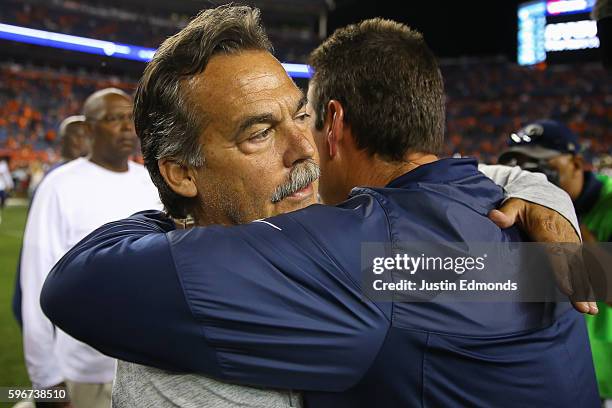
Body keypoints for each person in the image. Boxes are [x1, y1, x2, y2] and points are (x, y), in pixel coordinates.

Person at [43, 7, 598, 408]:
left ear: (330, 121)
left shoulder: (354, 262)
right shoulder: (492, 220)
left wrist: (169, 227)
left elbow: (73, 285)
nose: (304, 148)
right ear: (180, 171)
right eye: (260, 132)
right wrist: (536, 188)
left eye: (300, 115)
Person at [20, 88, 161, 408]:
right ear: (87, 128)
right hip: (84, 373)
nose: (127, 127)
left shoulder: (150, 182)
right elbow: (36, 284)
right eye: (113, 119)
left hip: (149, 366)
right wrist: (45, 383)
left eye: (130, 118)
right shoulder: (59, 186)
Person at [499, 118, 612, 405]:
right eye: (519, 163)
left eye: (541, 164)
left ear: (576, 164)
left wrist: (562, 217)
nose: (531, 174)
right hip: (557, 366)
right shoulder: (517, 204)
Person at [12, 115, 90, 329]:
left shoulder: (65, 175)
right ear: (74, 140)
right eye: (86, 136)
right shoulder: (58, 180)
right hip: (56, 275)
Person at [0, 155, 13, 224]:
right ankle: (3, 205)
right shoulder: (3, 165)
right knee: (3, 195)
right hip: (2, 184)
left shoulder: (4, 165)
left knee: (3, 195)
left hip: (2, 184)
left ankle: (3, 204)